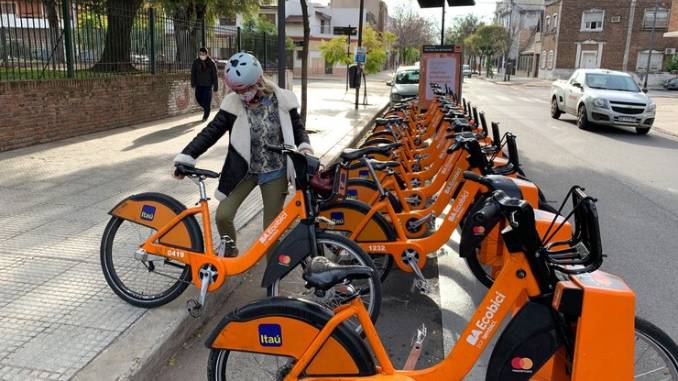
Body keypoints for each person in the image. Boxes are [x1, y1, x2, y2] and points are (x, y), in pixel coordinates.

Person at [174, 52, 313, 255]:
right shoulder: (233, 104)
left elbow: (298, 128)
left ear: (258, 80)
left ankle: (271, 282)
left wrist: (305, 147)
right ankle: (229, 254)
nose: (243, 95)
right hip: (243, 171)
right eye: (237, 91)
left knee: (271, 232)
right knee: (223, 215)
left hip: (275, 171)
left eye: (246, 89)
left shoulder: (282, 100)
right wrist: (187, 156)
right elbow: (210, 133)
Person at [191, 47, 219, 121]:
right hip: (199, 84)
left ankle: (205, 116)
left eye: (203, 54)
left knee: (207, 100)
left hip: (208, 85)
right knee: (198, 99)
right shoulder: (196, 62)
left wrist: (215, 87)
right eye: (200, 54)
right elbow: (193, 73)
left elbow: (215, 75)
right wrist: (193, 83)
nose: (201, 55)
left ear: (206, 54)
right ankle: (207, 108)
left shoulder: (211, 63)